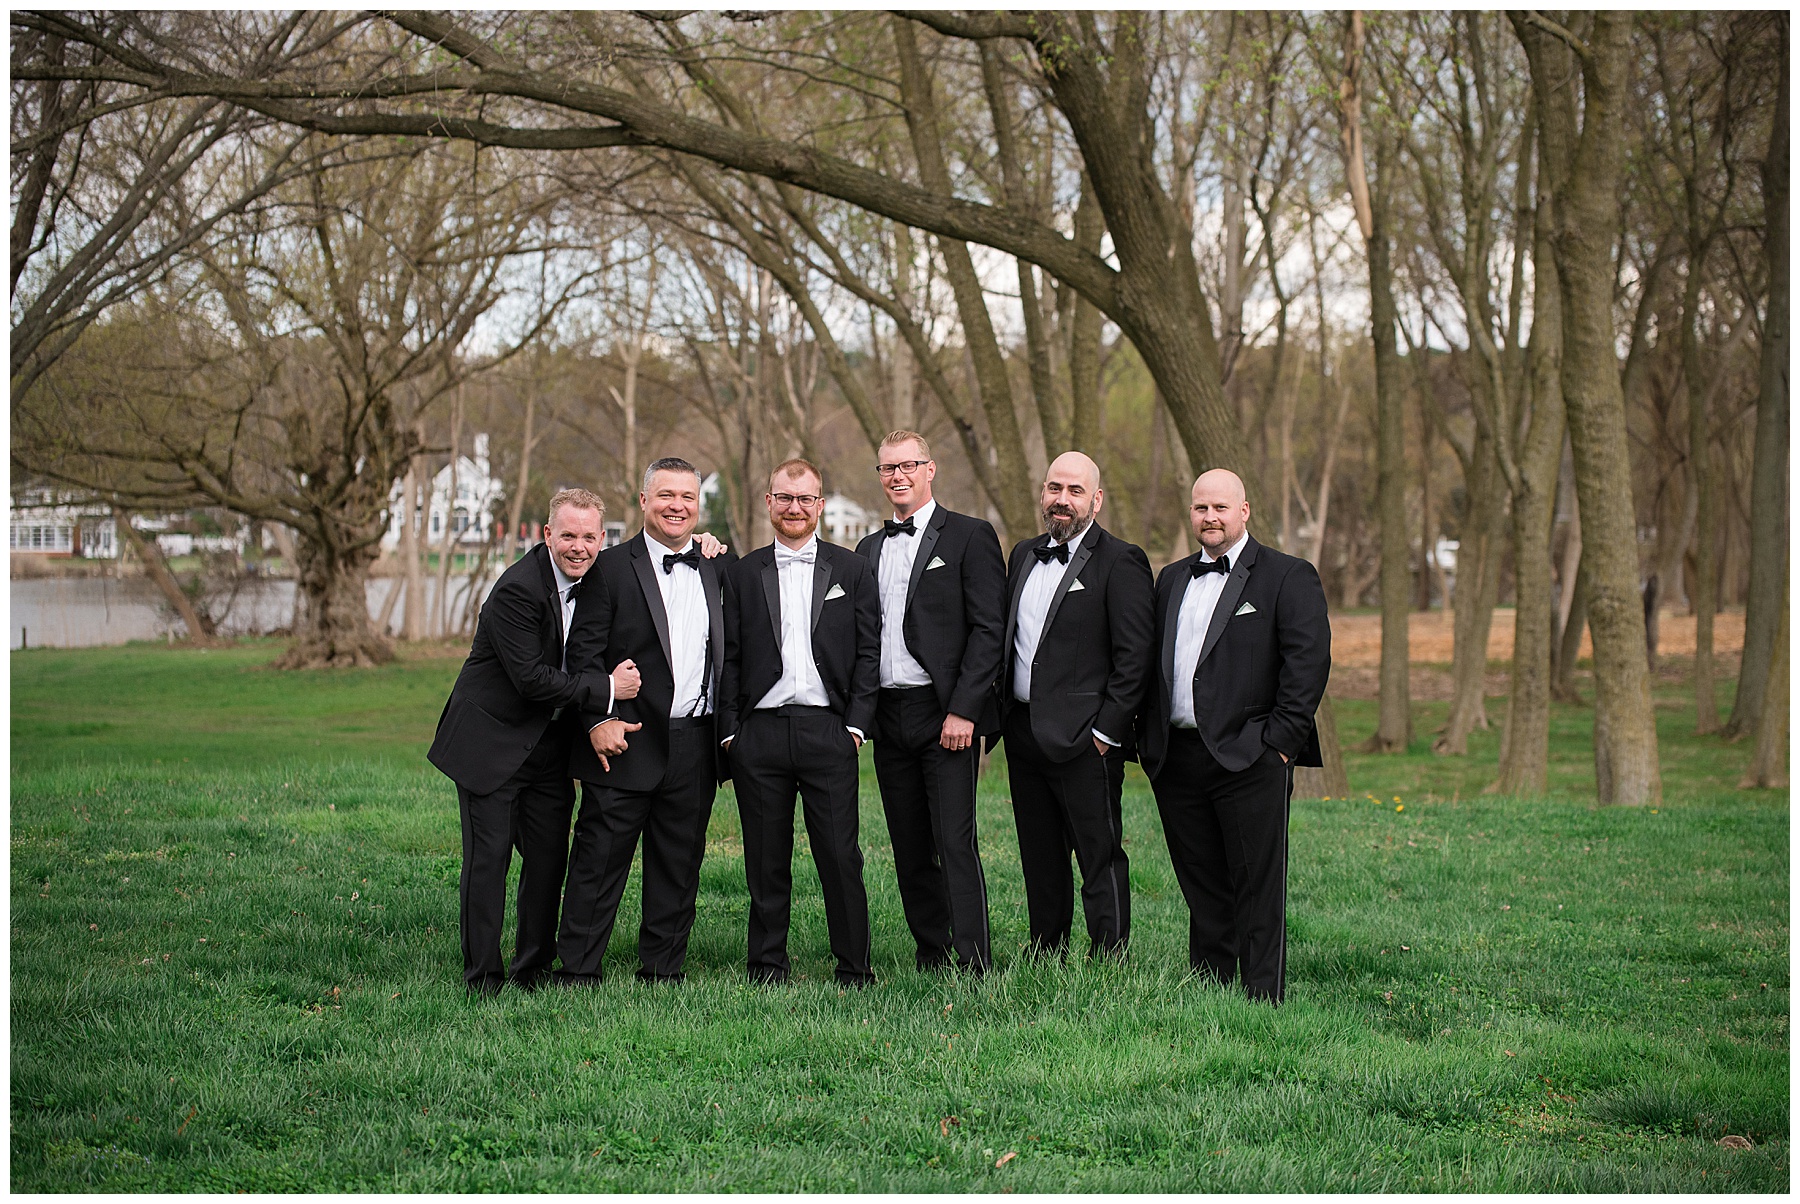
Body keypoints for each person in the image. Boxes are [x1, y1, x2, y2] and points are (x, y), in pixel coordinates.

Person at [426, 488, 641, 996]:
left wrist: (701, 541)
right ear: (547, 534)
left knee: (547, 861)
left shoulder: (595, 579)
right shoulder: (517, 591)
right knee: (489, 862)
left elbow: (650, 551)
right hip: (490, 744)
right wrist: (609, 688)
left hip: (548, 749)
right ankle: (483, 977)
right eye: (568, 535)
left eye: (590, 537)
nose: (579, 547)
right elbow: (531, 679)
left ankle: (534, 969)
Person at [1136, 468, 1330, 1004]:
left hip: (1251, 756)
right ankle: (1212, 987)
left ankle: (1262, 996)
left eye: (1221, 507)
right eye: (1201, 508)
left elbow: (1307, 664)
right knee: (1201, 882)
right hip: (1177, 757)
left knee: (1257, 884)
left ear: (1244, 511)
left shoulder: (1288, 576)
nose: (1210, 517)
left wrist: (1280, 745)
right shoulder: (1171, 578)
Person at [556, 458, 733, 985]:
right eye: (665, 496)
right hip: (624, 737)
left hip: (695, 740)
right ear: (642, 501)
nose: (676, 506)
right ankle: (579, 971)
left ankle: (662, 972)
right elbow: (581, 655)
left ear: (698, 506)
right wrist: (595, 721)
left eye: (686, 497)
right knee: (599, 859)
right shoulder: (609, 568)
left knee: (680, 865)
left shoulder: (718, 564)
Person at [719, 458, 881, 987]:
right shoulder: (744, 573)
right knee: (766, 859)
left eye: (805, 498)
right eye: (784, 498)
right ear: (769, 503)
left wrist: (856, 725)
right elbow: (729, 656)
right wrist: (731, 733)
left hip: (827, 730)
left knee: (839, 855)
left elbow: (868, 652)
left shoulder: (852, 569)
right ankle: (767, 966)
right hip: (759, 733)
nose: (794, 507)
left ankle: (854, 967)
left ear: (820, 504)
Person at [853, 431, 1006, 974]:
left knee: (954, 841)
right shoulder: (867, 549)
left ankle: (973, 961)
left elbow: (990, 629)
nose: (898, 475)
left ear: (930, 469)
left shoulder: (969, 536)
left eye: (908, 465)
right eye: (888, 468)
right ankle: (931, 953)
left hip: (945, 713)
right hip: (887, 717)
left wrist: (965, 708)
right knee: (909, 843)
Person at [996, 451, 1153, 960]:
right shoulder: (1022, 553)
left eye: (1075, 491)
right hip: (1023, 733)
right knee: (1039, 855)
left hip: (1088, 740)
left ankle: (1109, 956)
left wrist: (1107, 732)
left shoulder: (1121, 560)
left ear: (1096, 499)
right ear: (1043, 493)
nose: (1062, 500)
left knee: (1098, 854)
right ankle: (1047, 949)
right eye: (1054, 488)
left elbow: (1135, 657)